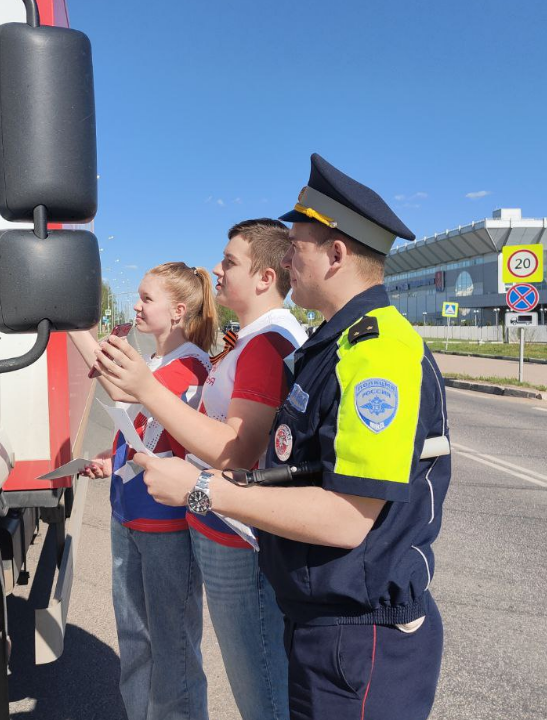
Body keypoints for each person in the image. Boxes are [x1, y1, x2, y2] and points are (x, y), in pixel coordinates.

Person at [131, 154, 450, 720]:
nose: (287, 258)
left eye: (297, 244)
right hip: (324, 623)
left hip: (361, 635)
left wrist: (202, 489)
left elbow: (348, 518)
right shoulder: (333, 344)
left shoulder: (378, 355)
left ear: (336, 254)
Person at [92, 220, 305, 720]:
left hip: (234, 530)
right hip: (221, 520)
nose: (217, 269)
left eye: (229, 262)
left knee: (262, 691)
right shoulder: (253, 341)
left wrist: (147, 390)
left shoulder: (263, 344)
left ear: (264, 278)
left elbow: (235, 449)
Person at [69, 262, 217, 720]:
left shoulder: (189, 364)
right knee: (136, 644)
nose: (135, 304)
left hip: (165, 527)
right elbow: (141, 431)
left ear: (177, 311)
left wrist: (70, 322)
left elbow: (120, 386)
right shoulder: (157, 362)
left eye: (146, 298)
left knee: (170, 652)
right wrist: (108, 461)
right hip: (131, 515)